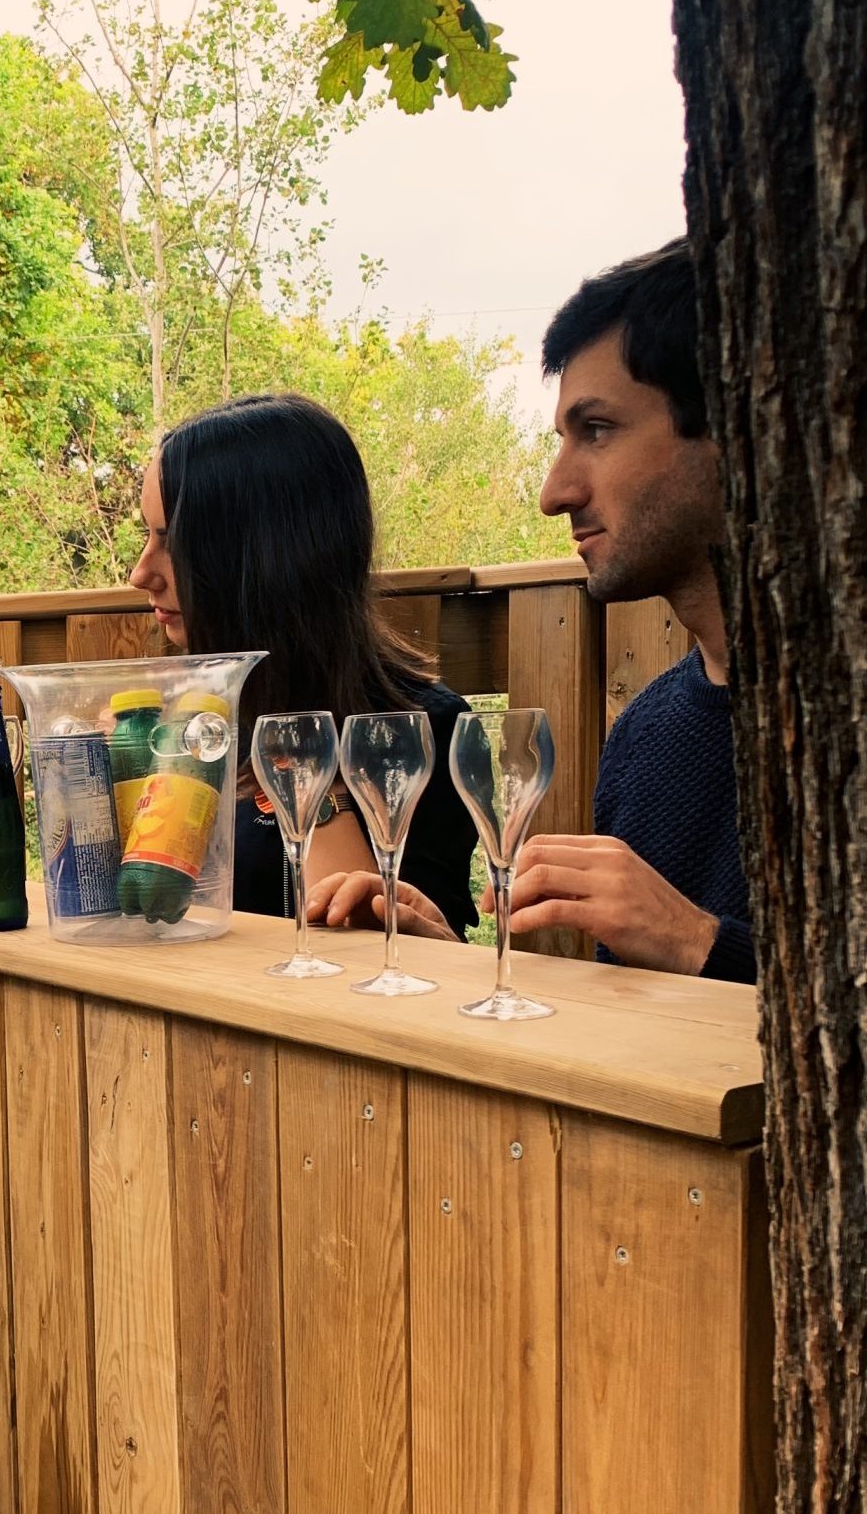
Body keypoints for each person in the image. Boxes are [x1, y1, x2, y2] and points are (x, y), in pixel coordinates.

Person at [310, 238, 754, 982]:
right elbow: (635, 1034)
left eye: (598, 430)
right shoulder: (648, 734)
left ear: (736, 427)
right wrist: (444, 966)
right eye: (562, 440)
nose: (555, 492)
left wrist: (700, 941)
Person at [128, 393, 480, 936]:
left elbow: (403, 960)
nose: (140, 572)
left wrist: (314, 779)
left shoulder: (420, 733)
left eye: (172, 543)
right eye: (147, 536)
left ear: (262, 560)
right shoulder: (191, 727)